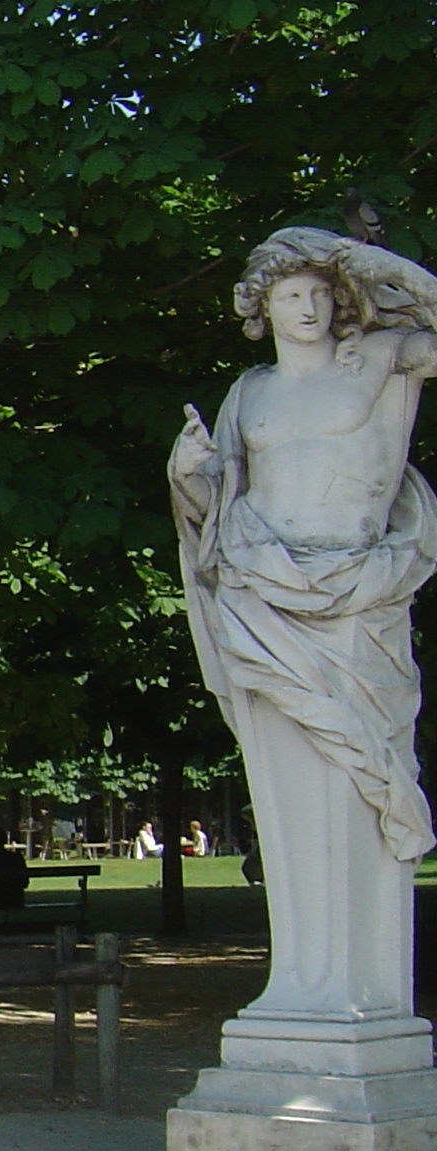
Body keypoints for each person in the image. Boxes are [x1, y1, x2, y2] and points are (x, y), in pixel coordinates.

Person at [172, 228, 437, 1019]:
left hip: (358, 598)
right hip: (262, 590)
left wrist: (377, 267)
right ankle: (302, 987)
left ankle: (356, 996)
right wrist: (189, 475)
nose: (309, 307)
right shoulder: (250, 392)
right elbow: (215, 505)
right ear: (263, 309)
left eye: (321, 292)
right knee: (287, 786)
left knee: (361, 777)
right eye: (291, 295)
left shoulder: (383, 359)